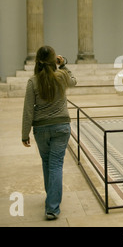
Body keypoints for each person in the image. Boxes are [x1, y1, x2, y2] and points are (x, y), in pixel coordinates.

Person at [21, 46, 77, 220]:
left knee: (47, 163)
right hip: (61, 127)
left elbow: (28, 110)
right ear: (55, 60)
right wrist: (64, 65)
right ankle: (52, 206)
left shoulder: (33, 81)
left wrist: (25, 134)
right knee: (56, 165)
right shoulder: (61, 76)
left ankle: (51, 200)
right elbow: (74, 81)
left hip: (41, 128)